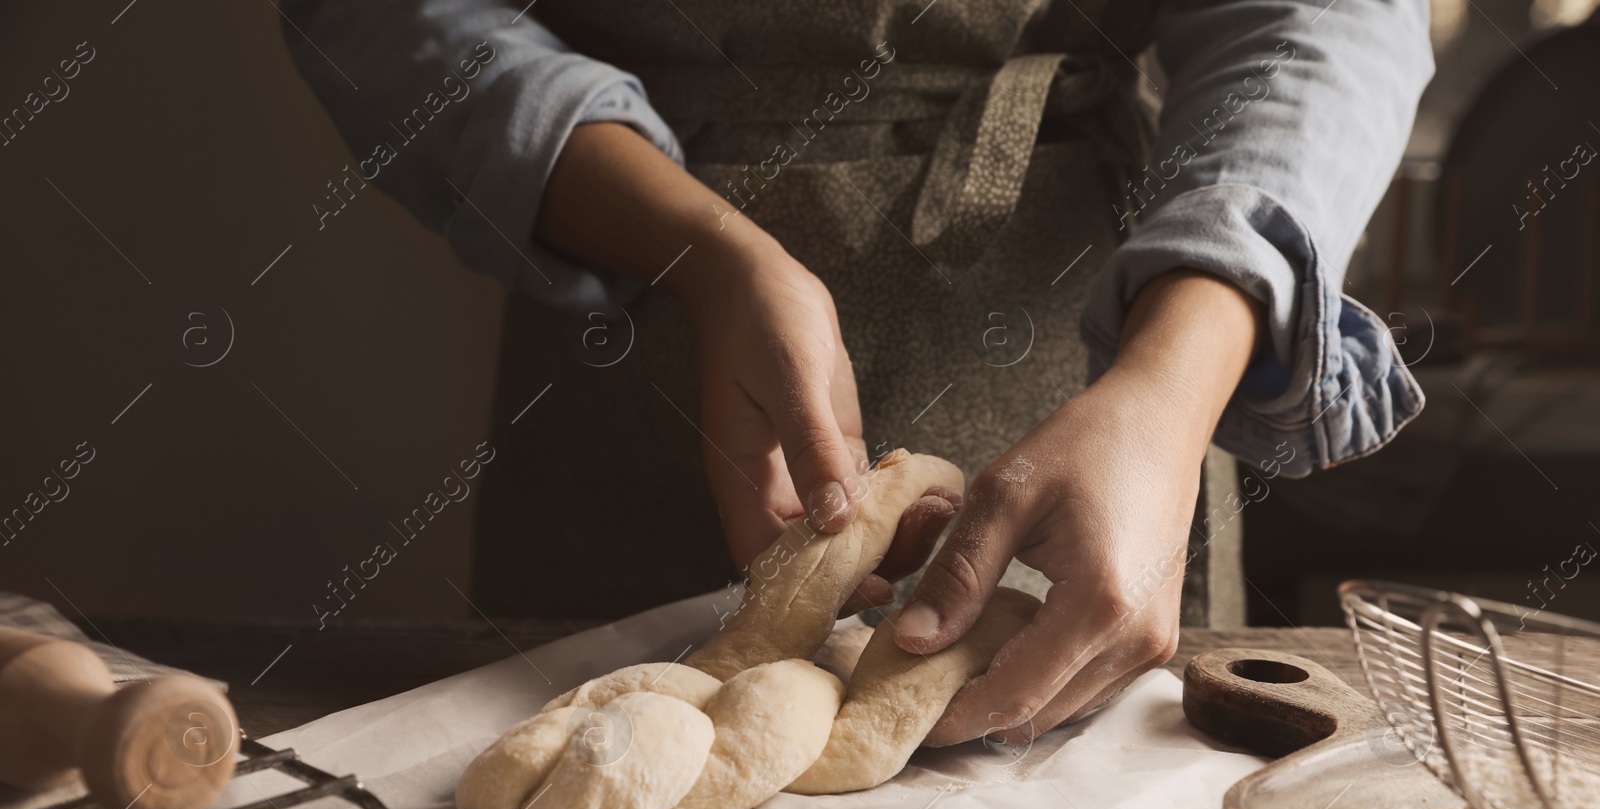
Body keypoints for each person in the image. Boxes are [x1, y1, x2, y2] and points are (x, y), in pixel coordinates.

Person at [280, 0, 1431, 745]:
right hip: (630, 340)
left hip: (1093, 359)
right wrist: (702, 251)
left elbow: (1326, 16)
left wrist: (1167, 390)